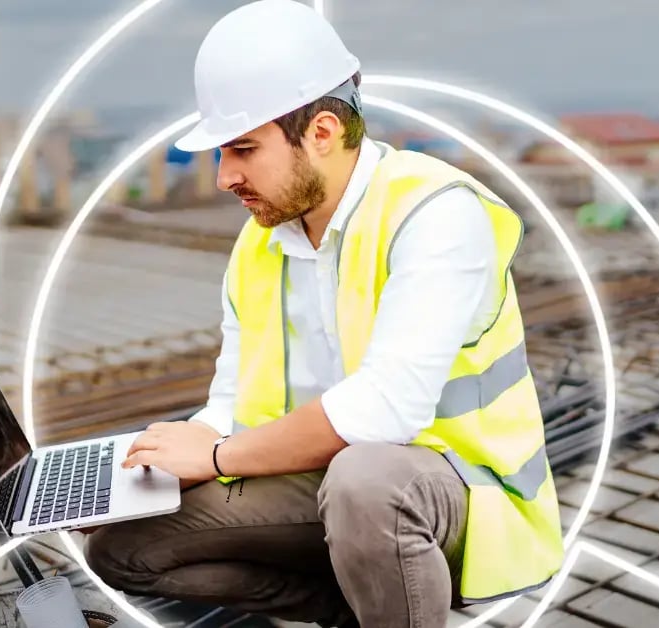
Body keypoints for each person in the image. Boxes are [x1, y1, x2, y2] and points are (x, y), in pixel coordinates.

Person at [83, 1, 564, 626]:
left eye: (243, 150)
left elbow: (387, 409)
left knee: (366, 483)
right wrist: (145, 478)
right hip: (324, 481)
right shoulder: (261, 244)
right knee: (125, 548)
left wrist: (220, 458)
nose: (225, 176)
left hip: (457, 490)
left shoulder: (435, 214)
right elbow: (232, 403)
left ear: (323, 133)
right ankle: (350, 612)